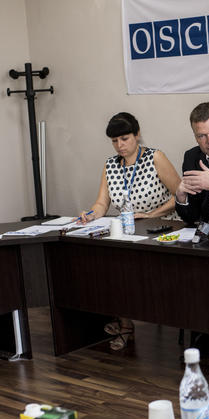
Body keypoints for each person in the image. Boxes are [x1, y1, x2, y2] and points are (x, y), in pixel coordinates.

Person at [80, 111, 181, 350]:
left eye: (124, 138)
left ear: (137, 135)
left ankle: (127, 321)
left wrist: (151, 214)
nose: (120, 145)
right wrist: (90, 214)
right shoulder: (110, 165)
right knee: (109, 266)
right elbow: (102, 203)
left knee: (128, 269)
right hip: (129, 232)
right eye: (115, 141)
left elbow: (180, 195)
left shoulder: (155, 157)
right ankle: (125, 322)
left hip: (161, 229)